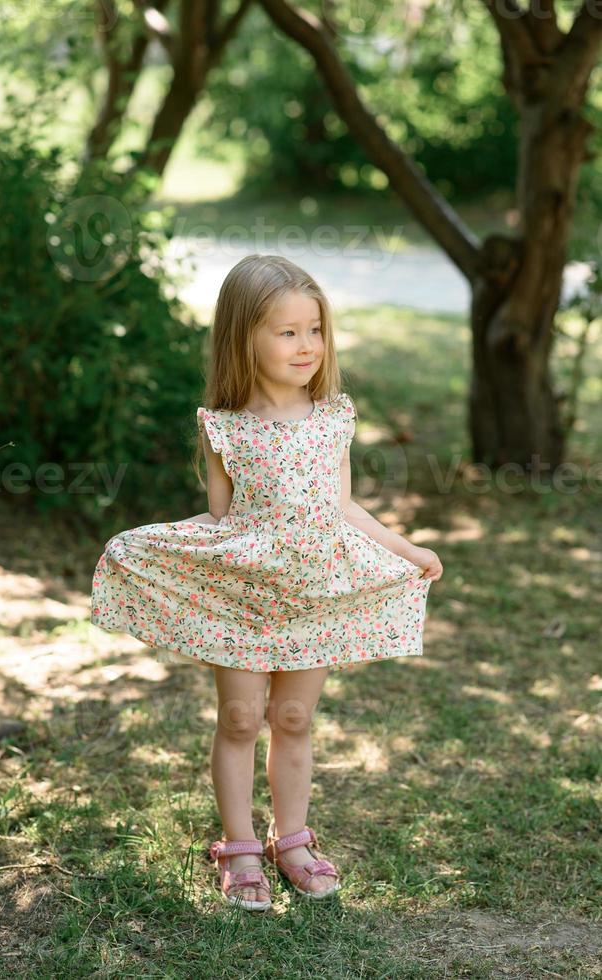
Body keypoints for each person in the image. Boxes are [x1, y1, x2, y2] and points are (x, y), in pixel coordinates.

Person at [91, 253, 443, 912]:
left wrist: (405, 548)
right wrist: (159, 544)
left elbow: (344, 507)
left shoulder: (332, 416)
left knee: (293, 717)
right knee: (240, 718)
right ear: (243, 337)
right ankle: (241, 845)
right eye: (287, 332)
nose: (306, 344)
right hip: (247, 598)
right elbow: (224, 521)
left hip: (313, 598)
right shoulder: (225, 427)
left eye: (314, 329)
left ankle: (293, 842)